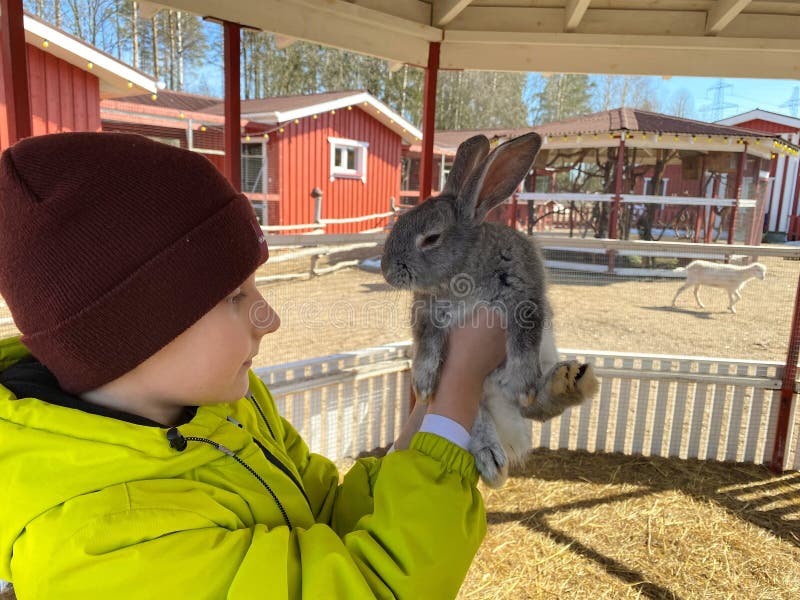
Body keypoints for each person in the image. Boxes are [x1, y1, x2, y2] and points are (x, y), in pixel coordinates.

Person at [0, 132, 506, 599]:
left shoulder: (228, 406)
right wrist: (461, 384)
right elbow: (373, 588)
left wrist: (437, 400)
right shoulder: (97, 547)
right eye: (234, 296)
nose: (270, 318)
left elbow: (325, 518)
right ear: (129, 332)